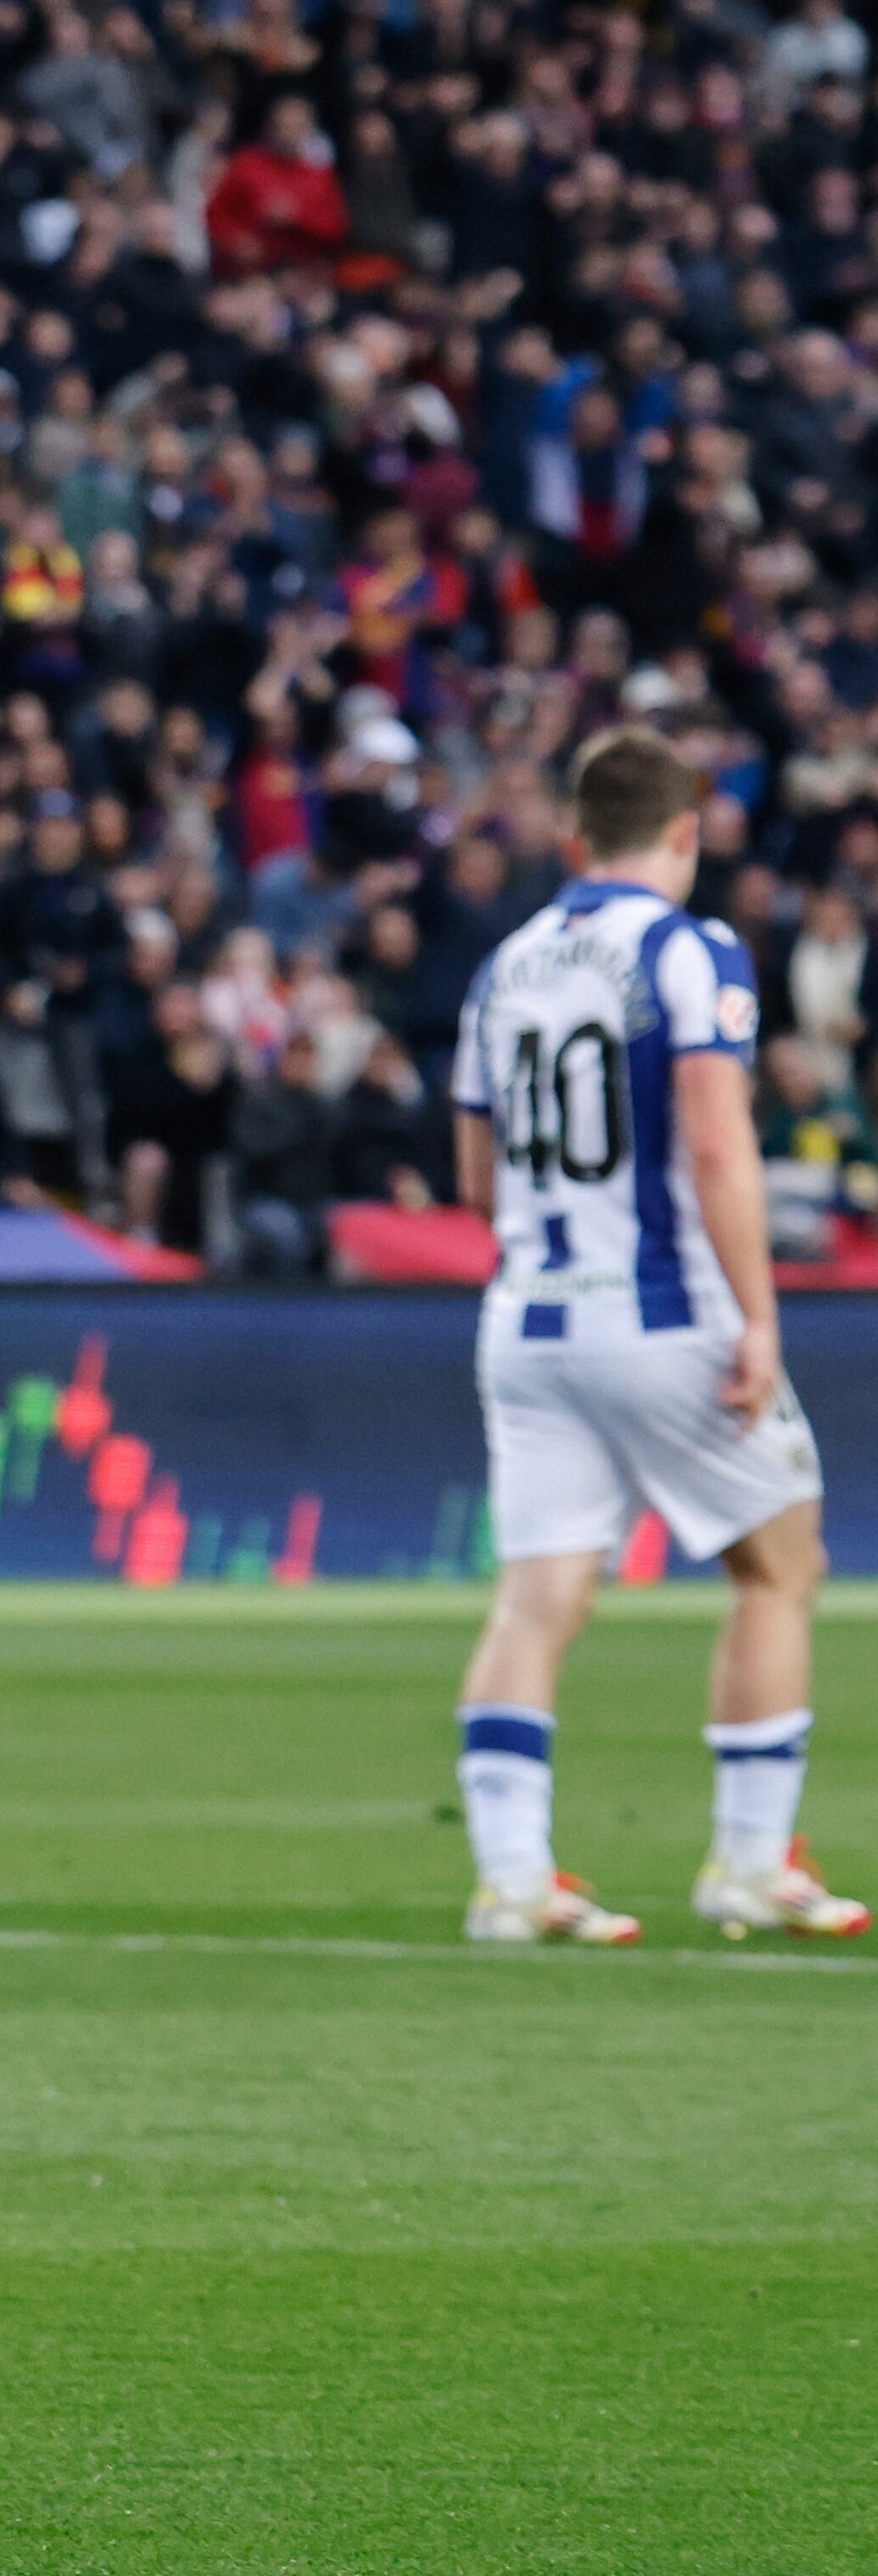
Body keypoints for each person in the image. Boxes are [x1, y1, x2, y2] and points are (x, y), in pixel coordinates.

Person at [447, 727, 864, 1949]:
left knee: (536, 1598)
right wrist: (757, 1316)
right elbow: (719, 1145)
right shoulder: (691, 954)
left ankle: (513, 1883)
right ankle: (746, 1864)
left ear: (577, 834)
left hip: (525, 1318)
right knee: (779, 1567)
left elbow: (474, 1174)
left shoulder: (504, 966)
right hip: (663, 1311)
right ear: (685, 830)